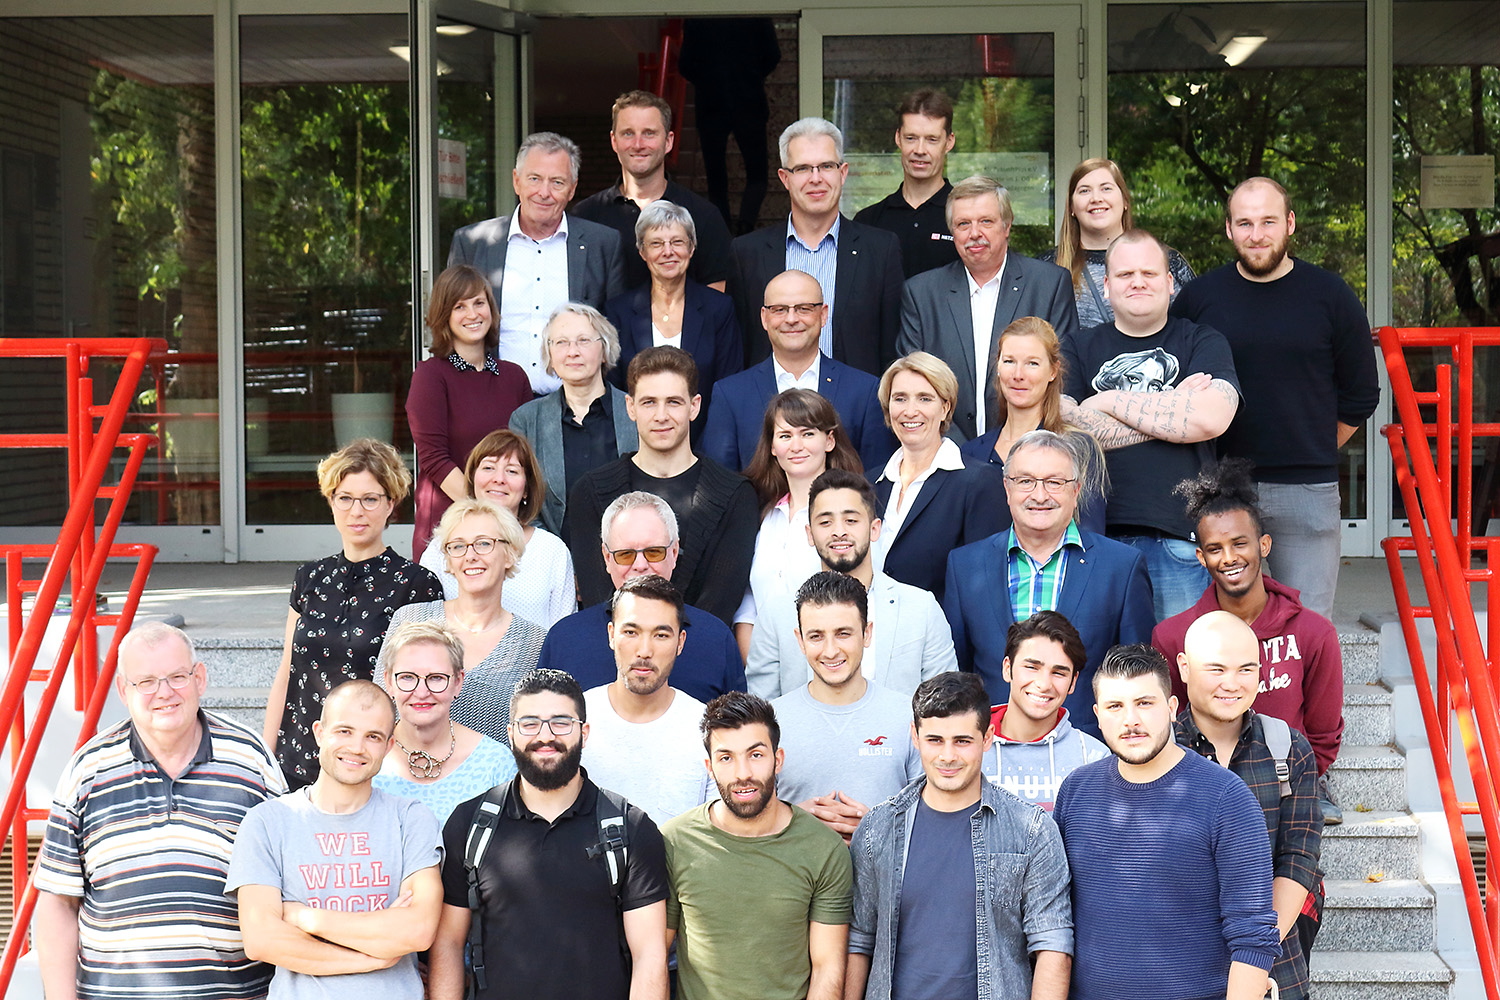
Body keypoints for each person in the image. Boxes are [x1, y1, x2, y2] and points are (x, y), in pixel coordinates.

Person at [34, 623, 287, 1000]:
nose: (164, 692)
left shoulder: (250, 760)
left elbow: (289, 884)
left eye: (177, 677)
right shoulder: (87, 771)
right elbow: (58, 902)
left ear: (200, 678)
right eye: (146, 682)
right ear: (123, 690)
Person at [1172, 176, 1380, 619]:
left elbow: (1362, 393)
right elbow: (1172, 386)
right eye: (1244, 223)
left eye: (1268, 221)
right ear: (1229, 229)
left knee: (1308, 627)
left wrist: (1313, 447)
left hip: (1306, 490)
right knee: (1218, 632)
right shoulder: (1199, 299)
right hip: (1217, 488)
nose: (1257, 235)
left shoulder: (1330, 296)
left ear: (1290, 223)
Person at [1052, 645, 1280, 1000]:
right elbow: (1054, 920)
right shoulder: (1076, 791)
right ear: (1097, 714)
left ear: (1172, 708)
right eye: (1115, 706)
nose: (1130, 720)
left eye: (1145, 703)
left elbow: (1253, 936)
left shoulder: (1226, 798)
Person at [429, 669, 670, 1000]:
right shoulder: (469, 824)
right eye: (530, 723)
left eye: (561, 722)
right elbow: (448, 943)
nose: (545, 736)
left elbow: (649, 957)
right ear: (511, 733)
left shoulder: (630, 828)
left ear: (584, 732)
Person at [846, 672, 1074, 1000]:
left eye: (962, 741)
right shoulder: (878, 828)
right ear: (915, 737)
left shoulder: (1031, 830)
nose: (948, 756)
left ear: (987, 738)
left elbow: (1052, 945)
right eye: (935, 740)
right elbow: (859, 940)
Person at [1061, 229, 1242, 621]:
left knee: (1178, 657)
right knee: (1098, 658)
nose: (1138, 282)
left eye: (1149, 273)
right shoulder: (1075, 347)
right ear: (1106, 286)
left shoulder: (1202, 341)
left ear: (1170, 282)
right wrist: (1176, 407)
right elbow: (1067, 428)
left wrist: (1106, 401)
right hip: (1093, 539)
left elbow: (1213, 417)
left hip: (1179, 538)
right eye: (1125, 274)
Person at [227, 680, 444, 999]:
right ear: (319, 732)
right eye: (345, 731)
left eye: (373, 736)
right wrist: (371, 958)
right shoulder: (267, 822)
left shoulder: (411, 819)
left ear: (389, 746)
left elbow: (418, 930)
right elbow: (262, 939)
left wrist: (303, 917)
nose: (357, 747)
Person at [1153, 458, 1345, 818]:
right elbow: (1170, 725)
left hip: (1286, 793)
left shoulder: (1313, 633)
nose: (1229, 558)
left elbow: (1323, 735)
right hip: (1202, 799)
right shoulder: (1174, 636)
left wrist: (1292, 784)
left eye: (1239, 543)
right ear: (1201, 557)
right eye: (1215, 549)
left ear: (1264, 545)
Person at [943, 429, 1154, 735]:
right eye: (1025, 481)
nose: (1040, 495)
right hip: (992, 747)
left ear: (1076, 490)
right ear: (1007, 488)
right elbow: (959, 673)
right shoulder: (965, 565)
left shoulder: (1121, 567)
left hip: (1087, 748)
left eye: (1054, 482)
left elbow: (1136, 677)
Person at [263, 438, 444, 789]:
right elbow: (287, 673)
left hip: (373, 766)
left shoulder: (417, 584)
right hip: (298, 758)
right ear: (331, 501)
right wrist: (265, 759)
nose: (356, 511)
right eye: (344, 498)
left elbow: (420, 689)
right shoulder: (309, 577)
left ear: (391, 504)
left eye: (369, 499)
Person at [662, 692, 853, 1000]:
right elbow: (653, 955)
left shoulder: (824, 849)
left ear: (778, 760)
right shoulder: (675, 841)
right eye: (726, 758)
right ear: (710, 767)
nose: (743, 774)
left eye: (756, 754)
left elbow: (827, 967)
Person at [1175, 611, 1324, 1000]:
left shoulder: (1287, 749)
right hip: (1180, 967)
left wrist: (1252, 961)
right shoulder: (1162, 751)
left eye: (1246, 669)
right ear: (1184, 668)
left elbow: (1298, 859)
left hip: (1274, 969)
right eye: (1216, 669)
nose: (1232, 683)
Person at [564, 346, 760, 624]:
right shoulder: (590, 493)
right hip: (614, 646)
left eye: (673, 402)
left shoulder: (736, 495)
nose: (661, 415)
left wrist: (667, 640)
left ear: (695, 406)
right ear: (630, 407)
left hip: (702, 646)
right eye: (649, 402)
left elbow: (720, 602)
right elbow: (598, 600)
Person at [895, 176, 1079, 441]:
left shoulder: (1049, 284)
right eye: (963, 224)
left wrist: (1017, 444)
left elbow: (1062, 376)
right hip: (947, 450)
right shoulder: (921, 293)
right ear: (952, 231)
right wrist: (961, 453)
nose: (974, 233)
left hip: (1030, 448)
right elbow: (914, 380)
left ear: (1007, 226)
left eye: (986, 221)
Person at [748, 468, 956, 699]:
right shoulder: (777, 615)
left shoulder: (921, 609)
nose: (839, 532)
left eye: (851, 520)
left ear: (874, 529)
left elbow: (946, 706)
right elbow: (762, 709)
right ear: (809, 533)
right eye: (825, 522)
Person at [448, 131, 626, 394]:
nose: (544, 193)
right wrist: (463, 391)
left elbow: (616, 334)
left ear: (572, 189)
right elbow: (450, 328)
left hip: (575, 404)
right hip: (491, 399)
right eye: (534, 179)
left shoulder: (603, 244)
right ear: (516, 181)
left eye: (557, 182)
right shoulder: (473, 243)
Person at [726, 117, 904, 376]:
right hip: (771, 401)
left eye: (826, 166)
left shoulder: (881, 250)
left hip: (857, 401)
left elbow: (891, 351)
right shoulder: (747, 254)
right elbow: (738, 350)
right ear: (785, 178)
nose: (816, 178)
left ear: (843, 173)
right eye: (803, 169)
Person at [539, 491, 746, 705]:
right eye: (625, 554)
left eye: (654, 552)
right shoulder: (565, 639)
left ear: (674, 552)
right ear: (607, 558)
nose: (640, 565)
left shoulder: (716, 639)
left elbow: (739, 723)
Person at [771, 572, 922, 841]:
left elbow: (934, 820)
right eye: (816, 636)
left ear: (867, 633)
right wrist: (790, 819)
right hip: (794, 869)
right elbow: (747, 822)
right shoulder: (770, 721)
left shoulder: (908, 717)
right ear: (800, 640)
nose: (830, 651)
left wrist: (877, 827)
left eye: (843, 634)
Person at [386, 498, 548, 744]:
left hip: (497, 769)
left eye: (483, 544)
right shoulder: (410, 619)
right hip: (408, 765)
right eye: (458, 546)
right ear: (449, 560)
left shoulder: (534, 642)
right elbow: (381, 710)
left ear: (509, 554)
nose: (470, 556)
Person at [702, 269, 895, 472]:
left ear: (823, 315)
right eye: (779, 309)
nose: (792, 319)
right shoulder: (730, 394)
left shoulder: (864, 391)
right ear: (764, 318)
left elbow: (876, 478)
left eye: (804, 308)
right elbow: (719, 481)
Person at [407, 264, 534, 557]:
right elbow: (434, 459)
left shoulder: (514, 377)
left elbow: (526, 456)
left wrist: (505, 519)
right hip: (450, 525)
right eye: (459, 307)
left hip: (508, 527)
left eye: (479, 303)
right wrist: (485, 516)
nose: (473, 314)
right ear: (444, 316)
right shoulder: (431, 376)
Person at [735, 388, 865, 655]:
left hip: (827, 660)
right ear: (772, 447)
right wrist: (755, 663)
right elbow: (749, 600)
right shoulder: (764, 514)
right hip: (762, 665)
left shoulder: (852, 516)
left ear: (829, 440)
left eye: (807, 434)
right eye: (785, 435)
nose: (796, 446)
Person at [872, 352, 1006, 603]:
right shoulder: (870, 484)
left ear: (945, 408)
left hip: (940, 627)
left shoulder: (980, 483)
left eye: (924, 399)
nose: (910, 411)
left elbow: (984, 587)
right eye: (900, 398)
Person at [581, 574, 713, 824]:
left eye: (661, 635)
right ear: (611, 635)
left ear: (680, 642)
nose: (644, 651)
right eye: (631, 632)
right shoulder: (574, 719)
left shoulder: (707, 728)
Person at [958, 315, 1106, 533]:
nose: (1018, 375)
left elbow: (1090, 537)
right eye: (1009, 361)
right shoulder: (970, 453)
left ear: (1053, 371)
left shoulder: (1079, 447)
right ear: (998, 367)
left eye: (1032, 363)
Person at [574, 90, 734, 290]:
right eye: (628, 133)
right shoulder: (586, 216)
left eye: (649, 133)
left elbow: (717, 298)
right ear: (614, 141)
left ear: (668, 141)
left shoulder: (704, 215)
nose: (638, 144)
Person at [605, 201, 742, 431]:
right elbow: (615, 391)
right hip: (636, 444)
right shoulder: (618, 312)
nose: (668, 252)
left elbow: (729, 388)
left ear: (692, 248)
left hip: (703, 444)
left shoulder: (719, 309)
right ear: (642, 252)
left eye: (677, 242)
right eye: (656, 243)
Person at [418, 429, 576, 627]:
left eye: (512, 471)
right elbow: (423, 626)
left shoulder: (551, 550)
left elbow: (564, 632)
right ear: (473, 479)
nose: (499, 479)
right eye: (488, 468)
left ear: (526, 489)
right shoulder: (442, 547)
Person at [508, 303, 638, 535]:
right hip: (554, 552)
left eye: (583, 340)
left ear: (604, 349)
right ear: (549, 354)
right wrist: (555, 553)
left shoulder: (637, 412)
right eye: (561, 342)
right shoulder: (526, 420)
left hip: (631, 550)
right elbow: (520, 501)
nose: (572, 352)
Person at [371, 620, 517, 825]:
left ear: (458, 682)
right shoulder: (366, 757)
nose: (422, 692)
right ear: (389, 682)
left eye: (436, 678)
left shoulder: (495, 764)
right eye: (407, 677)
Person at [1041, 158, 1195, 328]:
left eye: (1106, 188)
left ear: (1125, 201)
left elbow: (1192, 328)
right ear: (1071, 207)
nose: (1096, 198)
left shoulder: (1168, 262)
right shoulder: (1047, 268)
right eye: (1084, 191)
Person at [983, 611, 1108, 810]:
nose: (1044, 684)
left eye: (1058, 673)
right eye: (1032, 667)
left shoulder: (1094, 758)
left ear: (1073, 682)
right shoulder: (966, 746)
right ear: (1007, 668)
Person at [678, 17, 780, 235]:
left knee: (715, 178)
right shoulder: (755, 14)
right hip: (749, 101)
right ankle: (746, 224)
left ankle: (723, 230)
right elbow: (773, 54)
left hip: (711, 104)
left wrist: (707, 80)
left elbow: (685, 64)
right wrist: (752, 74)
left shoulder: (698, 18)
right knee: (757, 175)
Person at [851, 88, 961, 279]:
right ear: (898, 138)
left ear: (949, 142)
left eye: (932, 140)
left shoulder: (965, 218)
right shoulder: (868, 222)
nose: (920, 150)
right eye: (911, 138)